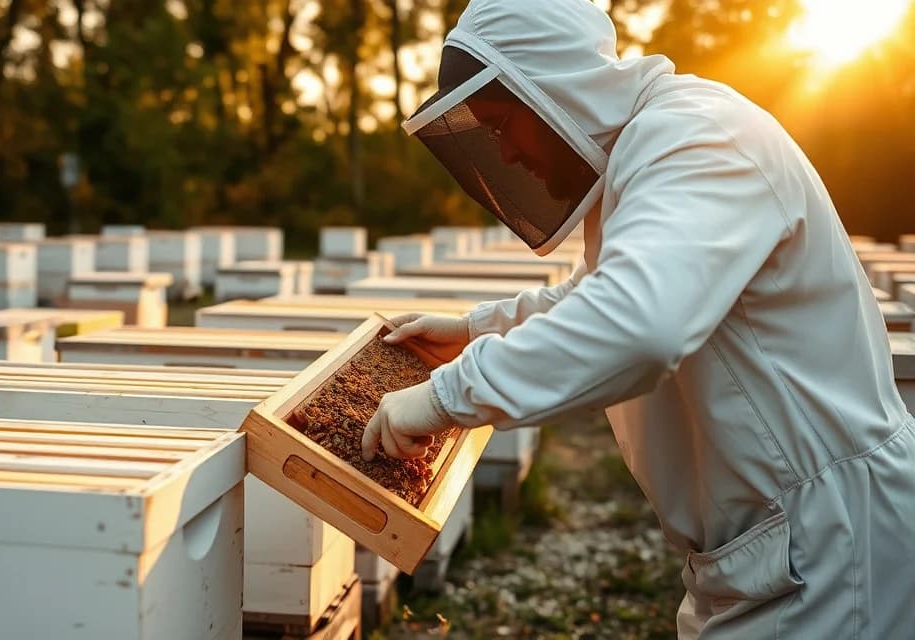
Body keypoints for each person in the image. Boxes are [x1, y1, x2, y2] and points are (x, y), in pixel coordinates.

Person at [359, 0, 915, 637]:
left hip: (831, 545)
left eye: (504, 123)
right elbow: (599, 292)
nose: (505, 154)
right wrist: (474, 329)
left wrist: (443, 398)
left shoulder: (698, 137)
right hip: (777, 543)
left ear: (550, 83)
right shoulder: (652, 146)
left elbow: (639, 322)